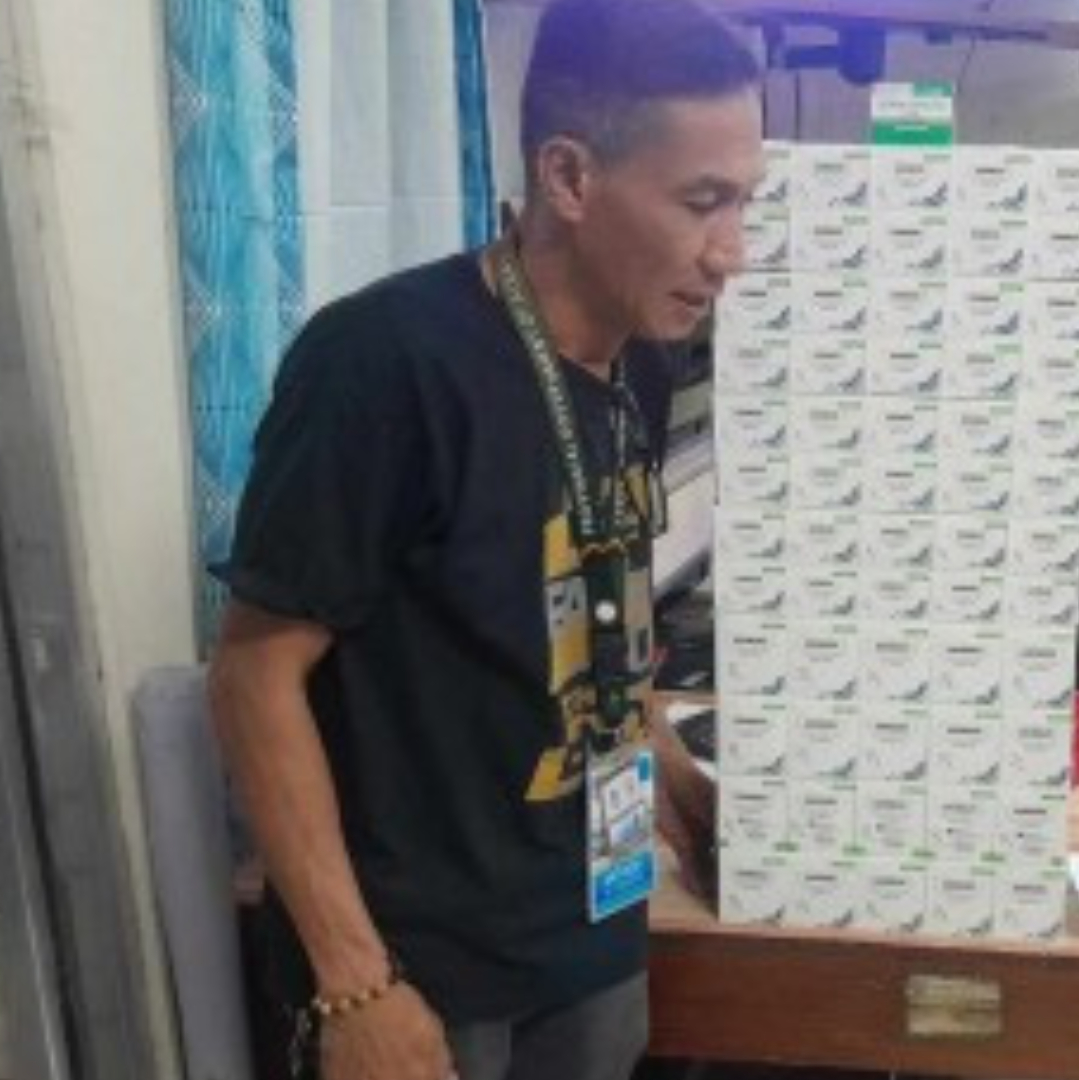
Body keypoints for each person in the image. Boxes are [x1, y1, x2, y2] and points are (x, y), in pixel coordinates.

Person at [206, 2, 762, 1078]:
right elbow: (252, 680)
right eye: (703, 202)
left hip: (587, 934)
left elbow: (597, 614)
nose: (731, 253)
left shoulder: (646, 356)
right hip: (419, 966)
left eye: (745, 202)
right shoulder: (383, 363)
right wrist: (356, 983)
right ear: (569, 177)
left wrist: (678, 784)